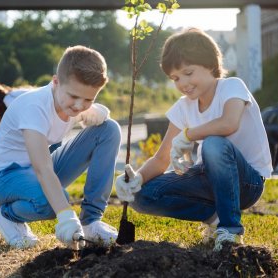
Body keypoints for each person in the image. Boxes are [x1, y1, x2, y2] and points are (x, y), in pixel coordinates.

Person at [115, 28, 272, 252]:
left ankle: (230, 231)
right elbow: (161, 159)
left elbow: (228, 123)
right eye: (175, 78)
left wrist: (189, 134)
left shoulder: (232, 87)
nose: (182, 83)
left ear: (210, 64)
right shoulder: (183, 107)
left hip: (247, 182)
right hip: (207, 178)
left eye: (188, 73)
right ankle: (215, 217)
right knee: (141, 197)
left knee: (213, 143)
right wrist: (135, 179)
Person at [0, 45, 121, 249]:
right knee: (52, 203)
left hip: (34, 171)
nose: (79, 105)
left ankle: (90, 221)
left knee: (108, 129)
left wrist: (91, 112)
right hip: (5, 178)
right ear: (55, 82)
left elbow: (80, 111)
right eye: (74, 96)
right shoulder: (35, 107)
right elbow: (43, 168)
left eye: (89, 99)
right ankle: (8, 216)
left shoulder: (70, 102)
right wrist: (66, 216)